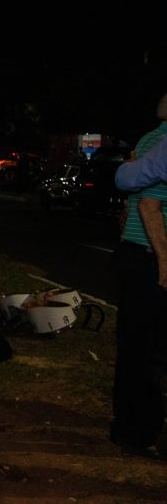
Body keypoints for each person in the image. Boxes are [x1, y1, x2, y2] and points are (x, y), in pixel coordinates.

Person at [109, 94, 167, 461]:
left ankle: (131, 428)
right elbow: (148, 205)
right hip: (148, 258)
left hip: (139, 256)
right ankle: (139, 432)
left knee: (138, 348)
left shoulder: (151, 139)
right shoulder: (159, 142)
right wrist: (164, 262)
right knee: (148, 352)